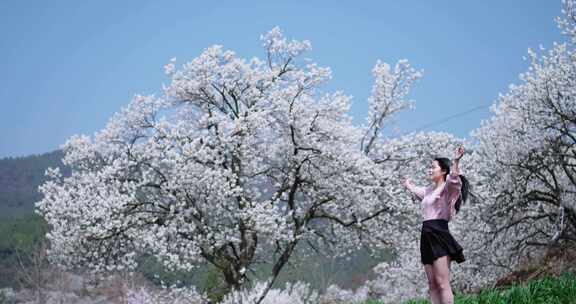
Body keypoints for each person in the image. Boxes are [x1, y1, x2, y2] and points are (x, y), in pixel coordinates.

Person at [403, 145, 470, 304]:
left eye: (433, 167)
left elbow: (454, 180)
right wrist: (408, 185)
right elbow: (417, 191)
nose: (429, 170)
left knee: (442, 283)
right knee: (432, 284)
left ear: (443, 171)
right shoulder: (428, 191)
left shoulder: (447, 189)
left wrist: (455, 161)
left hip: (439, 234)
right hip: (426, 236)